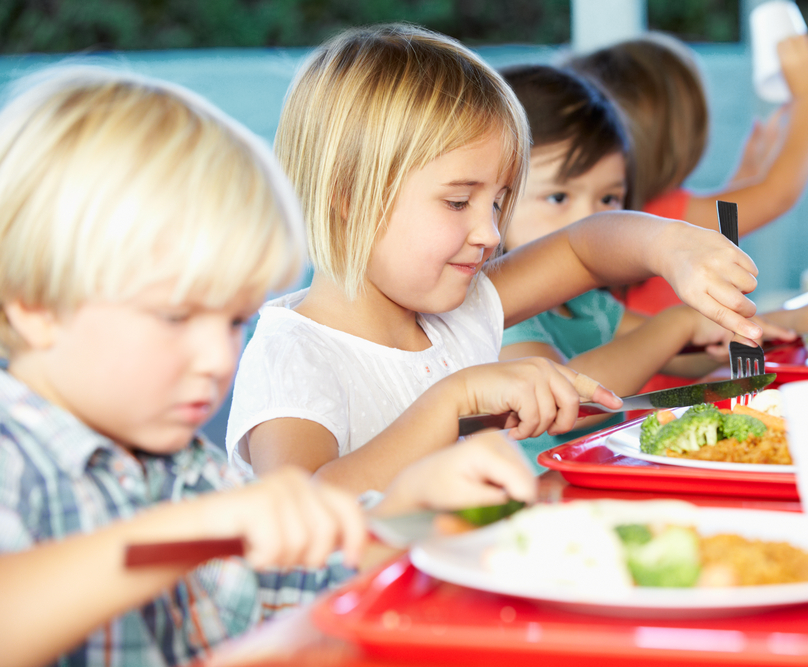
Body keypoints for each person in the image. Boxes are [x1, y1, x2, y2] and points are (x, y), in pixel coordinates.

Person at [0, 66, 537, 667]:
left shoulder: (184, 469)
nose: (217, 359)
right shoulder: (16, 461)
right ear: (36, 306)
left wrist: (406, 513)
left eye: (232, 322)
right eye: (176, 317)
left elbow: (294, 588)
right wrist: (188, 533)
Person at [227, 23, 765, 493]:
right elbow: (302, 509)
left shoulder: (458, 313)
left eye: (500, 202)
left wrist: (669, 245)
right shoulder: (293, 355)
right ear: (347, 197)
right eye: (458, 202)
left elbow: (583, 249)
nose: (488, 232)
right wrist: (452, 400)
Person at [498, 65, 808, 466]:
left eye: (608, 199)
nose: (590, 219)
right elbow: (569, 404)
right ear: (495, 197)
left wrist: (794, 322)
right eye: (558, 198)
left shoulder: (586, 304)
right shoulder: (500, 314)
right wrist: (677, 323)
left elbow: (679, 353)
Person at [569, 31, 808, 314]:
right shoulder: (658, 217)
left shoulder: (619, 215)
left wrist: (746, 176)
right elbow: (778, 195)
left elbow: (720, 223)